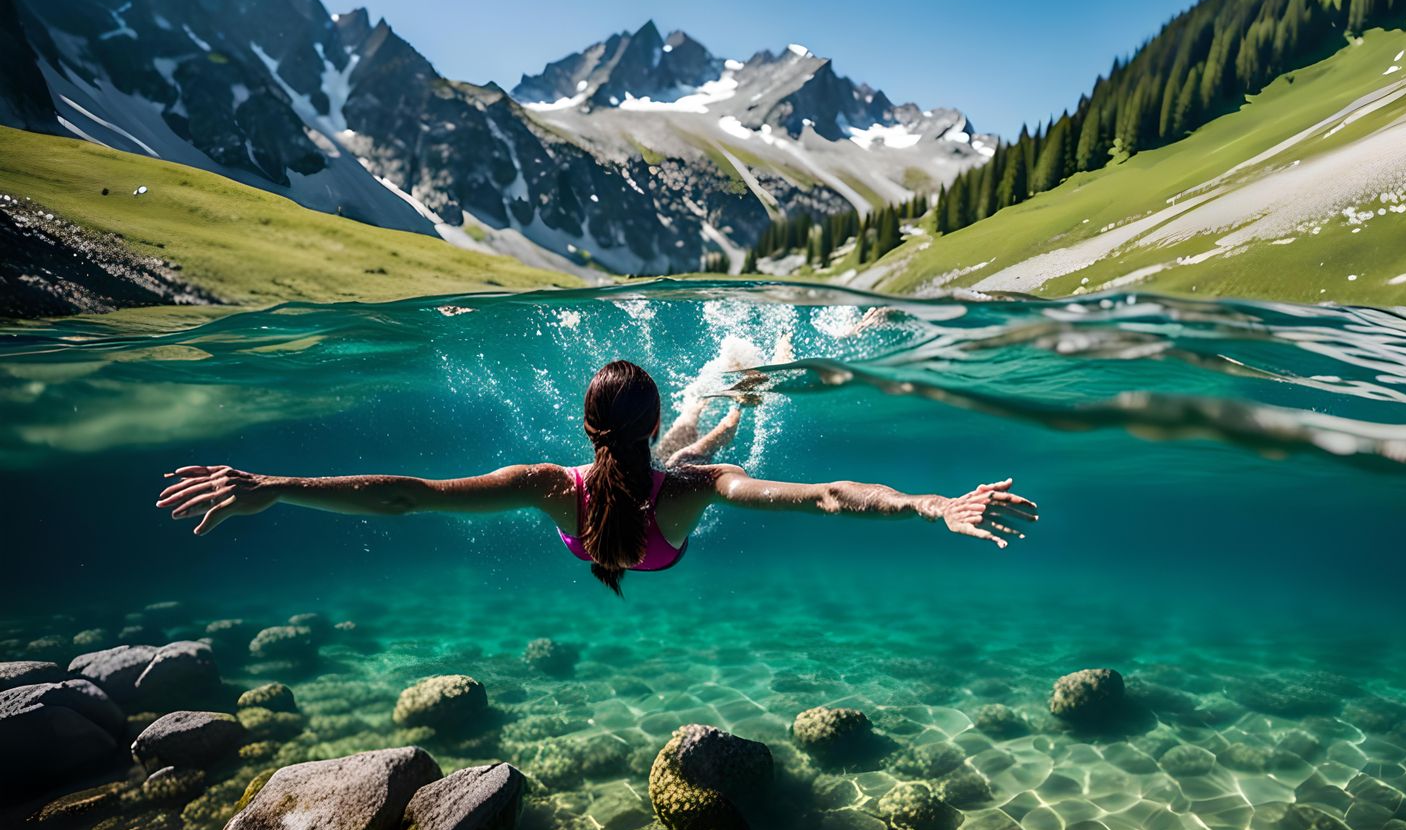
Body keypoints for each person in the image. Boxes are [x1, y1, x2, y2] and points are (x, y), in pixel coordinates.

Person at [155, 360, 1038, 596]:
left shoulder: (550, 482)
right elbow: (826, 498)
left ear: (585, 430)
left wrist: (276, 484)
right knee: (703, 453)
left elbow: (409, 496)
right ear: (640, 428)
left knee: (696, 450)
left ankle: (729, 407)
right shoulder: (688, 486)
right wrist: (929, 505)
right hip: (664, 532)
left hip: (616, 526)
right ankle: (738, 407)